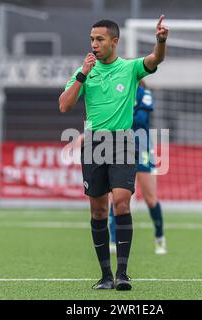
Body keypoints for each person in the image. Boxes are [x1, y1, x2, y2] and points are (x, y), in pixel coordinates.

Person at [58, 17, 168, 290]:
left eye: (100, 39)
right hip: (94, 145)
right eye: (92, 39)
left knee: (121, 202)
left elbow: (155, 60)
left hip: (122, 142)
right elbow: (64, 105)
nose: (94, 44)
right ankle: (105, 276)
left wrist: (161, 41)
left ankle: (122, 274)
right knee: (98, 210)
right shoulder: (84, 71)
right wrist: (82, 74)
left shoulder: (130, 69)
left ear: (114, 41)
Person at [108, 80, 166, 255]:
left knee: (150, 198)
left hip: (142, 149)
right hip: (119, 146)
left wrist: (121, 114)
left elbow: (140, 119)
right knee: (116, 195)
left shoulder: (144, 93)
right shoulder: (116, 92)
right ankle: (112, 239)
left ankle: (160, 237)